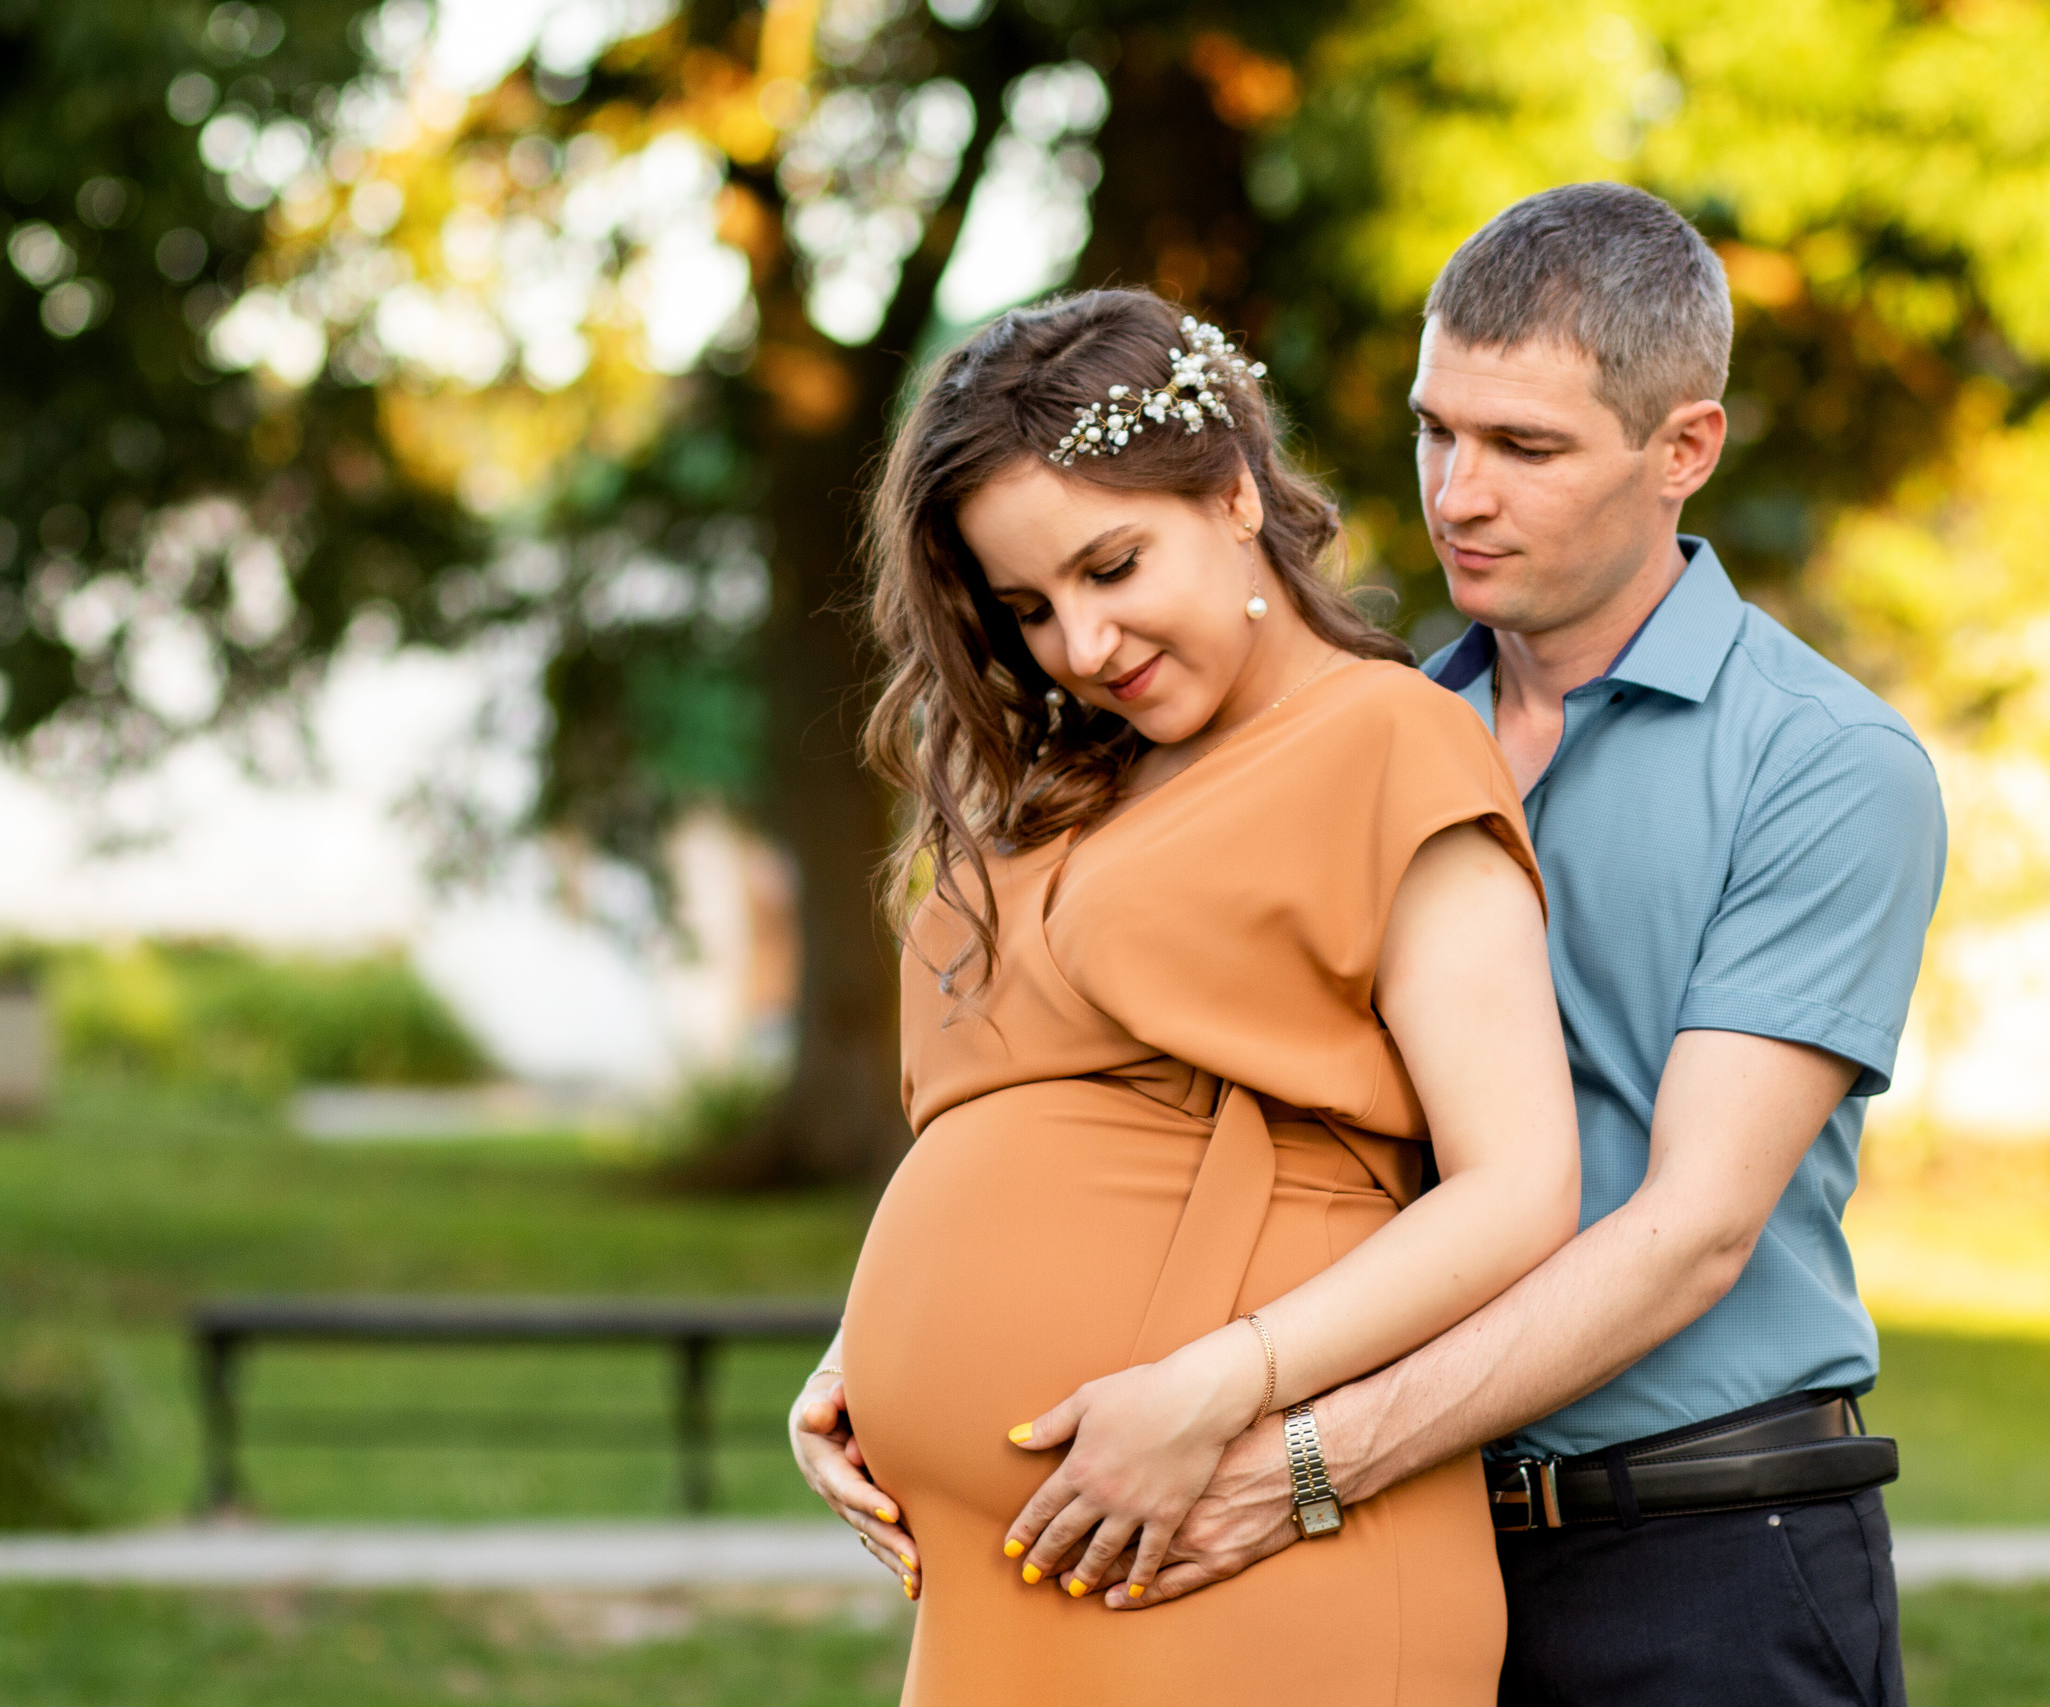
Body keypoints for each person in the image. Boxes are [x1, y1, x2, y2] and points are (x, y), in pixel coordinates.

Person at [1098, 182, 1951, 1705]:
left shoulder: (1825, 764)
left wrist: (1306, 1463)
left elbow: (1691, 1233)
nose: (1457, 494)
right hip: (1409, 1552)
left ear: (1684, 450)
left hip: (1701, 1558)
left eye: (1526, 449)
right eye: (1439, 431)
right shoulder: (1371, 738)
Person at [789, 286, 1581, 1705]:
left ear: (1231, 496)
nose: (1080, 646)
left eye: (1113, 568)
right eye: (1029, 607)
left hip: (1232, 1542)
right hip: (1008, 1581)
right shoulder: (1067, 786)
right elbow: (1020, 1104)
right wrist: (859, 1361)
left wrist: (1221, 1388)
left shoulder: (1388, 740)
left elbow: (1521, 1188)